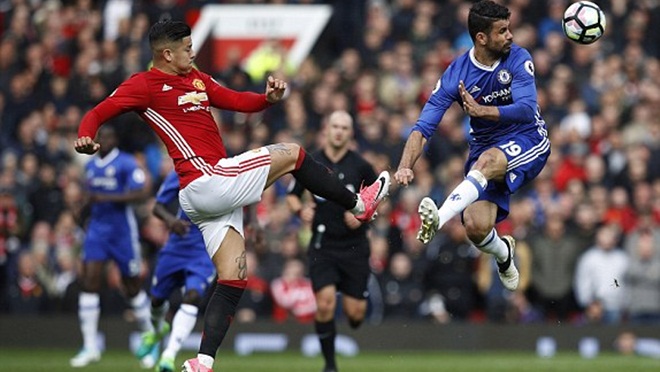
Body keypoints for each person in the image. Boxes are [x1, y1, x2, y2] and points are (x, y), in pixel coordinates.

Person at [73, 20, 390, 372]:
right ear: (166, 53)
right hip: (206, 178)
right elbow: (98, 112)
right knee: (294, 153)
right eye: (187, 48)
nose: (193, 53)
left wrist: (266, 100)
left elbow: (235, 100)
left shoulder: (195, 77)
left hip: (206, 195)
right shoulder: (144, 85)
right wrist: (86, 135)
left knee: (233, 276)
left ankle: (203, 362)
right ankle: (360, 204)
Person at [394, 0, 550, 291]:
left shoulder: (518, 57)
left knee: (488, 161)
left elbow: (527, 109)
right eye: (502, 31)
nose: (510, 36)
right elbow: (423, 127)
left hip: (528, 138)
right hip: (486, 147)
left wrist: (482, 111)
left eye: (509, 29)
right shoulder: (456, 74)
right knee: (476, 227)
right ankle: (504, 254)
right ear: (481, 37)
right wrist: (404, 166)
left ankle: (438, 220)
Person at [286, 110, 377, 372]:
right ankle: (330, 365)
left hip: (355, 246)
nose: (338, 131)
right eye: (334, 126)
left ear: (351, 133)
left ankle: (350, 319)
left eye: (344, 128)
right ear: (326, 129)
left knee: (355, 314)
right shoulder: (311, 162)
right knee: (325, 304)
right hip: (323, 244)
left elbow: (378, 198)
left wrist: (362, 217)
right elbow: (293, 195)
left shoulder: (361, 166)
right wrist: (299, 210)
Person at [70, 125, 152, 368]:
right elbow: (90, 196)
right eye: (100, 138)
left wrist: (106, 198)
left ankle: (152, 340)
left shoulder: (126, 163)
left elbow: (141, 193)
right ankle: (90, 346)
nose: (103, 141)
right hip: (97, 230)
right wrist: (81, 211)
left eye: (107, 137)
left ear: (114, 140)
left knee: (132, 287)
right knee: (89, 281)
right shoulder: (91, 166)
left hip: (122, 233)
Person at [135, 170, 216, 372]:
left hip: (204, 249)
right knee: (156, 300)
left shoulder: (226, 168)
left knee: (193, 295)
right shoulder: (183, 170)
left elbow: (247, 197)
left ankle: (168, 356)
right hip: (177, 246)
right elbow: (158, 207)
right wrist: (171, 222)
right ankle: (158, 329)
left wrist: (253, 223)